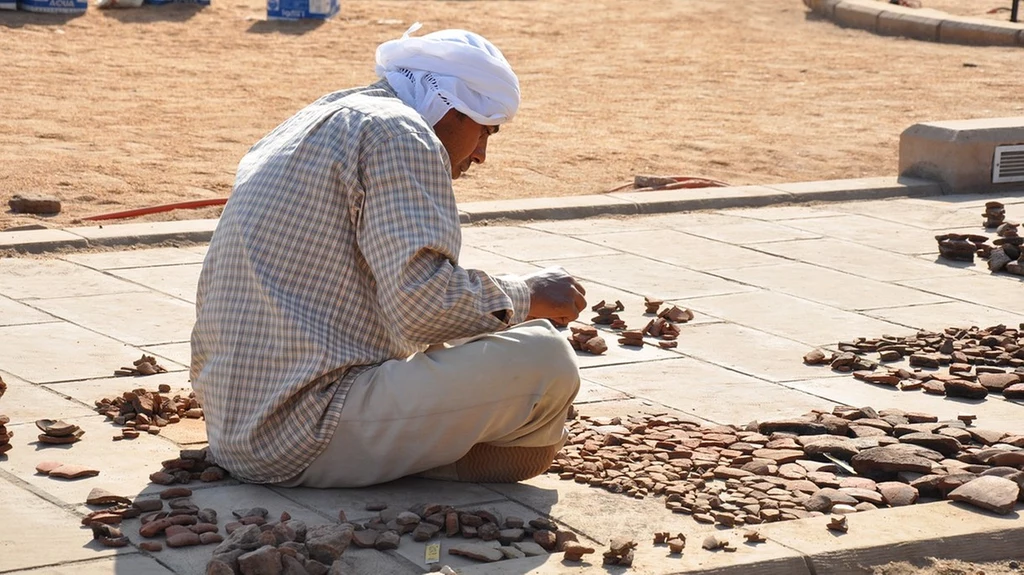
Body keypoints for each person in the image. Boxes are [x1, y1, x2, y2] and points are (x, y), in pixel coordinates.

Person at [190, 25, 588, 489]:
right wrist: (529, 294)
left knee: (487, 326)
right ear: (449, 106)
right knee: (547, 358)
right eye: (485, 130)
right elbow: (424, 308)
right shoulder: (402, 133)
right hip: (300, 432)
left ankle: (412, 450)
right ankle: (437, 461)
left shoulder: (326, 112)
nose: (481, 154)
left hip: (234, 420)